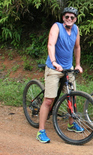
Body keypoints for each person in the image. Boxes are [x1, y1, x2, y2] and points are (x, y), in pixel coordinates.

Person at [36, 7, 84, 143]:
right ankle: (41, 131)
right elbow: (51, 44)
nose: (69, 19)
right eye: (67, 17)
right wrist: (54, 62)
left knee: (72, 96)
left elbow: (77, 47)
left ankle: (71, 123)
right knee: (49, 100)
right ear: (63, 18)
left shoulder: (76, 29)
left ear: (75, 19)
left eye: (72, 17)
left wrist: (78, 64)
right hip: (54, 68)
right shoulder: (56, 27)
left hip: (68, 68)